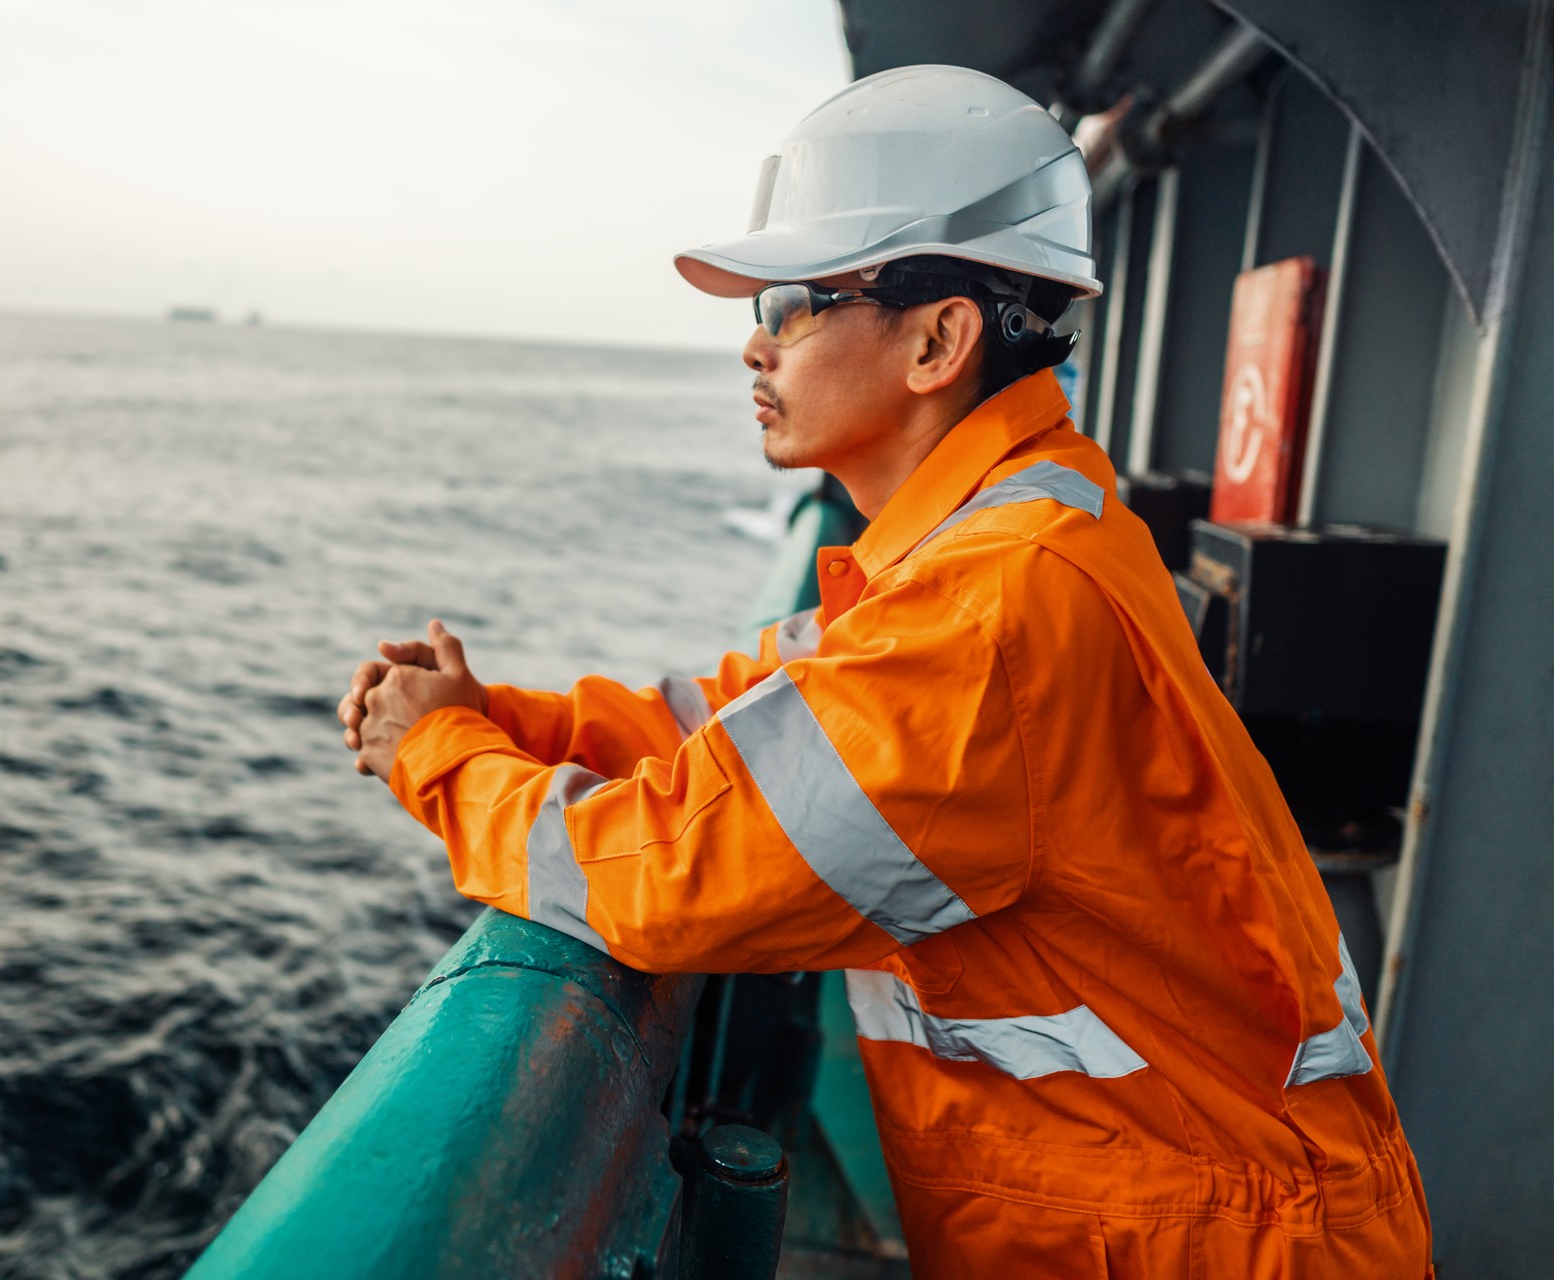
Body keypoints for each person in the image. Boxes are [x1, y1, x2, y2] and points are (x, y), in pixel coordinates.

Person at [336, 66, 1431, 1278]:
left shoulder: (989, 614)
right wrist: (495, 714)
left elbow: (672, 875)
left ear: (936, 339)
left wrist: (438, 755)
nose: (756, 340)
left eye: (796, 299)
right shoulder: (992, 551)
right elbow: (733, 719)